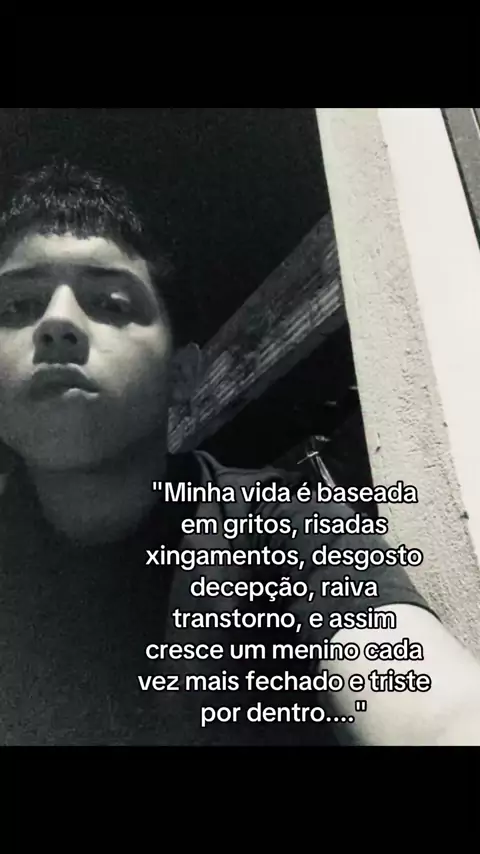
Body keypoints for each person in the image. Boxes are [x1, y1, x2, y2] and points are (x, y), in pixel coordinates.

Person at [1, 161, 480, 747]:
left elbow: (436, 711)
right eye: (16, 307)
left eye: (112, 303)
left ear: (182, 374)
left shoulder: (279, 517)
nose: (56, 323)